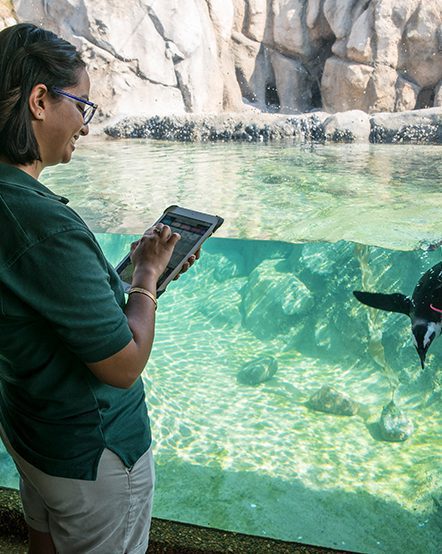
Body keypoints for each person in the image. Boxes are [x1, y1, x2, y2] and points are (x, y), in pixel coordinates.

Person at [0, 23, 197, 554]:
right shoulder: (45, 224)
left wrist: (132, 273)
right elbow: (123, 363)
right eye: (82, 107)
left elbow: (47, 303)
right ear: (40, 101)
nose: (85, 126)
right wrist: (148, 277)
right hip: (93, 454)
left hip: (32, 436)